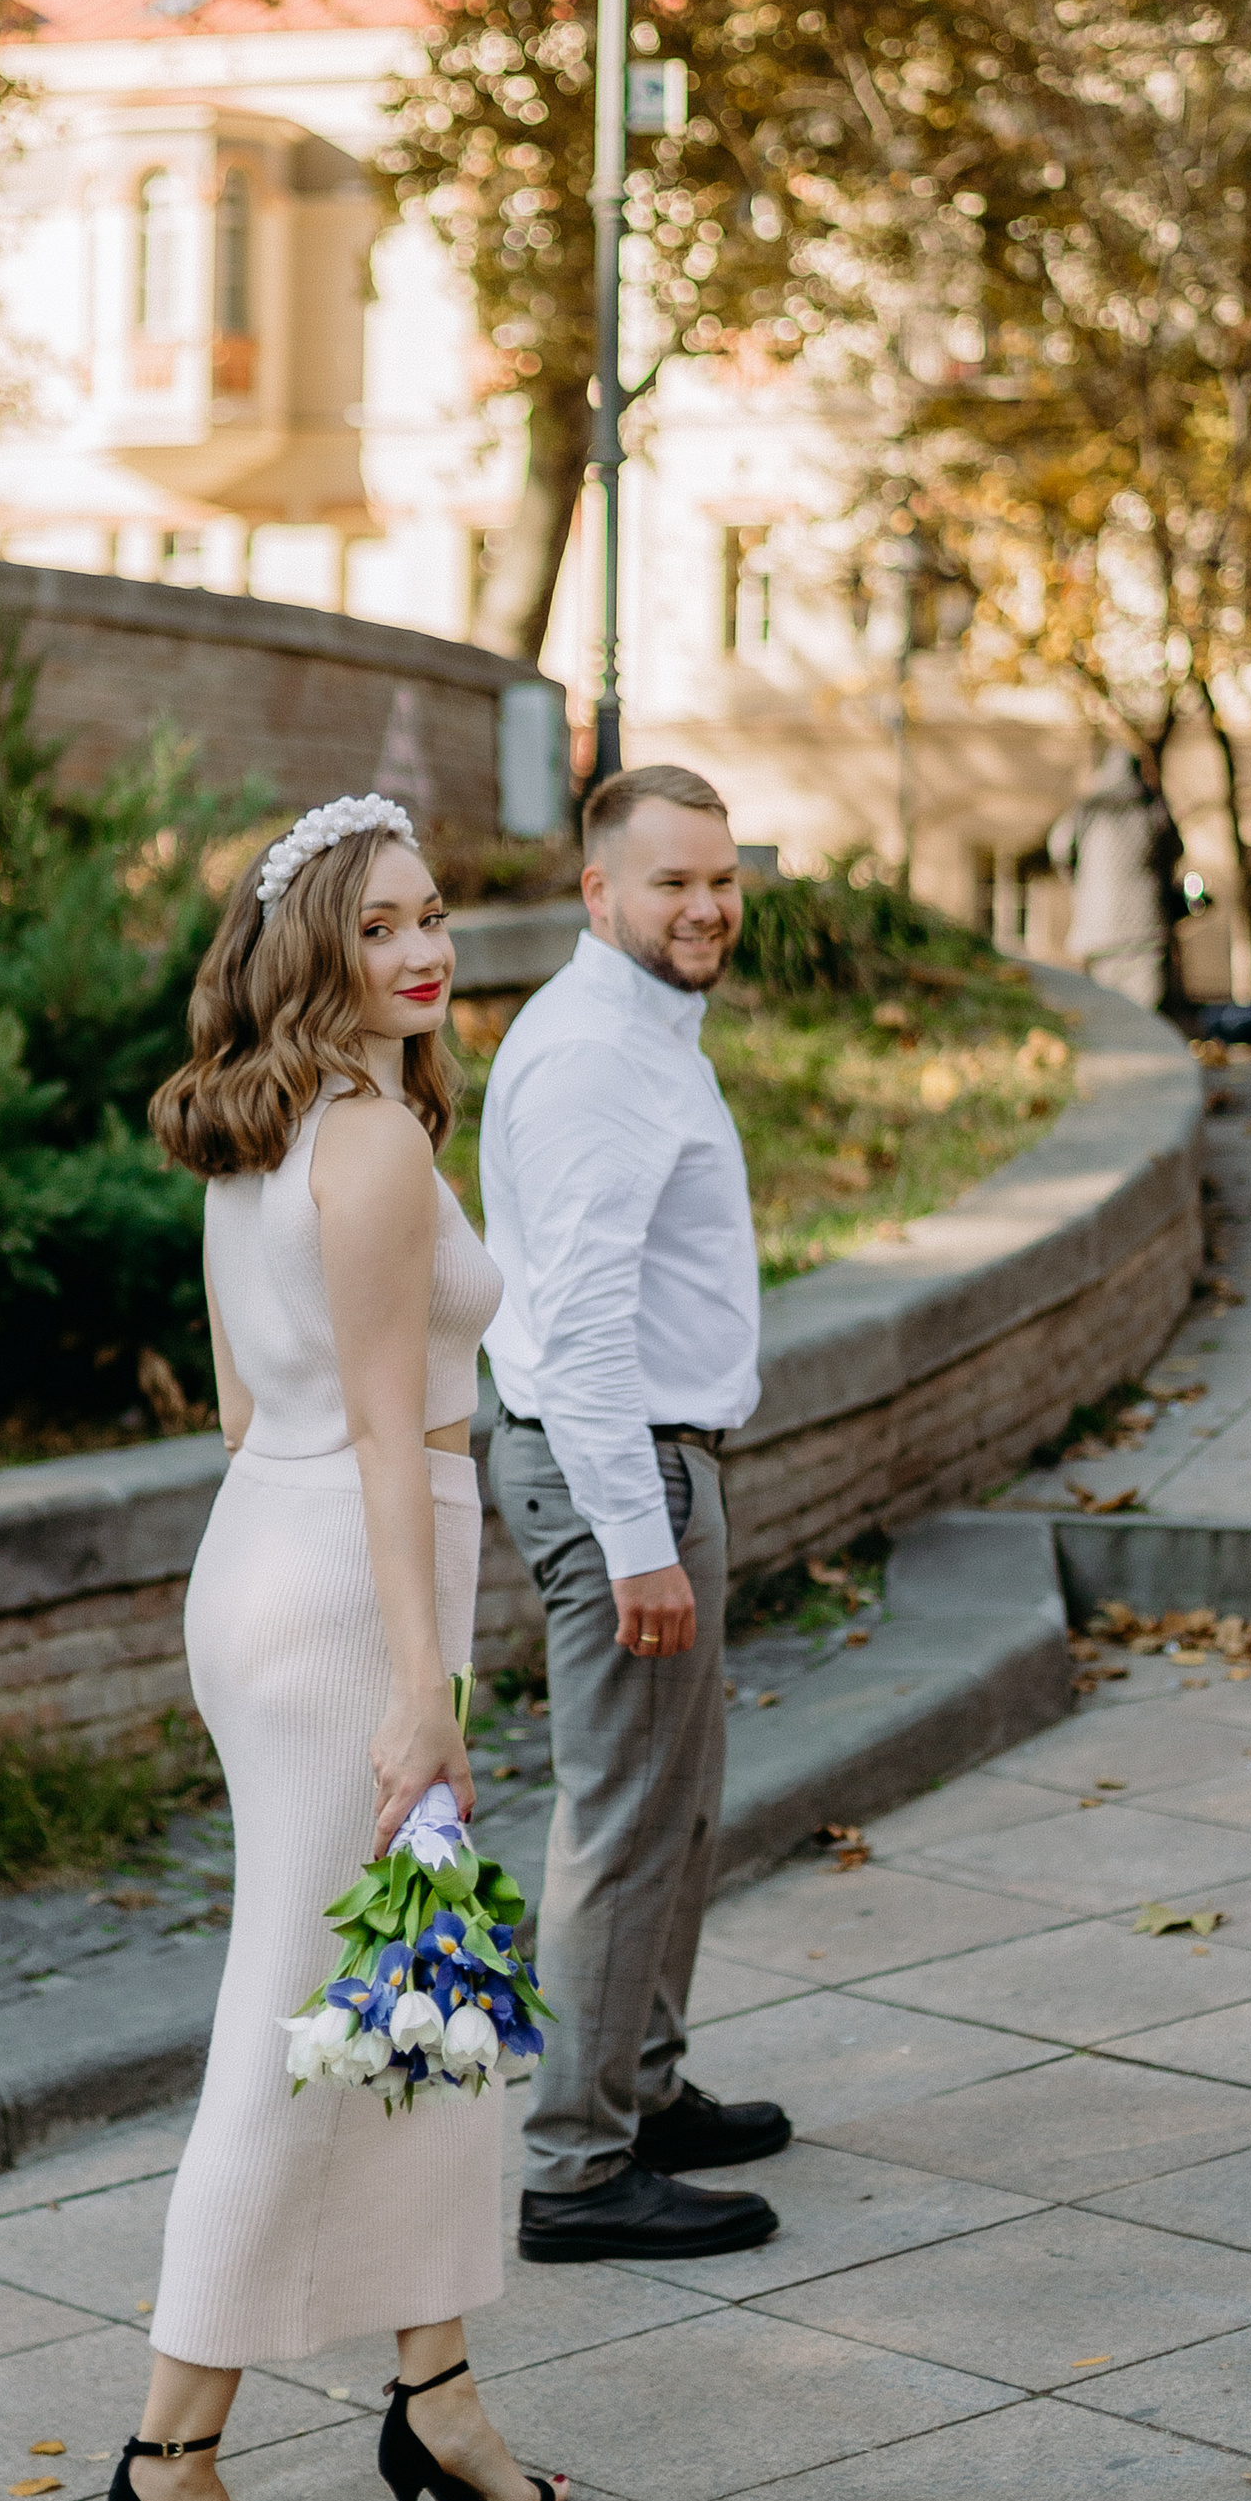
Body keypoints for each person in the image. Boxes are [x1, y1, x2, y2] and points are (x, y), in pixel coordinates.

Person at [132, 792, 567, 2501]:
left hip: (267, 1553)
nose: (425, 947)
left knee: (423, 2009)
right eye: (383, 925)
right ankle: (174, 2454)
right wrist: (421, 1692)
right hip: (350, 1602)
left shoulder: (264, 1128)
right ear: (318, 949)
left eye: (435, 914)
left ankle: (438, 2393)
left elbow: (246, 1412)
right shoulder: (370, 1141)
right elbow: (395, 1438)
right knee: (302, 2023)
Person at [480, 763, 791, 2266]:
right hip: (621, 1465)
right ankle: (578, 2168)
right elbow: (586, 1325)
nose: (707, 904)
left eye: (721, 877)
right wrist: (637, 1537)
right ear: (600, 892)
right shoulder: (597, 1053)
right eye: (672, 880)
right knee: (621, 1814)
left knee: (680, 1797)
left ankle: (641, 2095)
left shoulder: (646, 1030)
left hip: (653, 1459)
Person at [1051, 751, 1180, 1013]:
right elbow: (1174, 850)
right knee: (1144, 1014)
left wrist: (1079, 883)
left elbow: (1059, 847)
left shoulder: (1086, 810)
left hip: (1097, 929)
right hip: (1144, 929)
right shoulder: (1151, 808)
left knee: (1105, 1010)